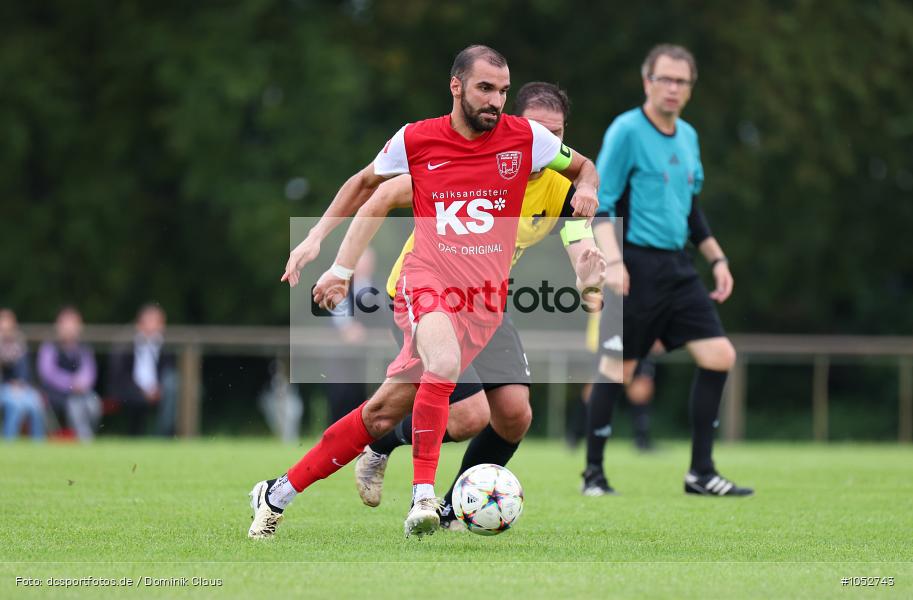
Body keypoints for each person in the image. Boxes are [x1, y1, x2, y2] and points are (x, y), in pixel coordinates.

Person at [248, 45, 600, 539]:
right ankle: (425, 498)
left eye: (502, 91)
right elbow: (369, 186)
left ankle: (275, 493)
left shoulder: (527, 141)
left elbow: (584, 169)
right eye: (485, 88)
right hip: (424, 282)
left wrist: (588, 196)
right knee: (445, 365)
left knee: (382, 413)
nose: (495, 101)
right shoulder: (417, 139)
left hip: (484, 304)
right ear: (456, 86)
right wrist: (324, 249)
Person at [348, 82, 607, 529]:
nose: (548, 143)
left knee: (514, 417)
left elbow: (578, 238)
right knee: (468, 416)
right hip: (422, 291)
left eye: (558, 134)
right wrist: (337, 263)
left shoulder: (556, 187)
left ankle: (449, 509)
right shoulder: (475, 160)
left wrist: (589, 271)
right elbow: (384, 191)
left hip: (484, 302)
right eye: (538, 130)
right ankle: (383, 443)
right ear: (514, 129)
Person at [585, 44, 753, 497]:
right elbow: (601, 205)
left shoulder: (689, 137)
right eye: (666, 79)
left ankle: (701, 473)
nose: (674, 88)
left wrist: (717, 258)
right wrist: (614, 262)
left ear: (690, 89)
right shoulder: (626, 131)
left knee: (720, 356)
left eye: (682, 81)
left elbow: (691, 210)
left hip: (678, 268)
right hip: (633, 264)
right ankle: (593, 476)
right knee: (617, 368)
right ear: (648, 82)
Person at [108, 304, 176, 436]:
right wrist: (142, 391)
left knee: (173, 387)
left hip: (158, 390)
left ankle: (164, 436)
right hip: (131, 389)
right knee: (136, 400)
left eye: (156, 322)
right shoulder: (125, 346)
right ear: (139, 324)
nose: (152, 327)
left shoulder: (167, 347)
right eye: (148, 322)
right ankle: (135, 435)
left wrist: (158, 388)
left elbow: (168, 373)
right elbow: (120, 376)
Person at [37, 306, 101, 441]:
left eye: (73, 324)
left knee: (94, 403)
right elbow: (48, 373)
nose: (70, 328)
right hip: (56, 393)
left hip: (82, 392)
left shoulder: (84, 348)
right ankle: (83, 440)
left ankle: (88, 436)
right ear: (58, 326)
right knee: (75, 405)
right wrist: (71, 383)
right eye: (66, 324)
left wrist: (82, 383)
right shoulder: (50, 347)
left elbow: (89, 371)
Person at [0, 308, 45, 440]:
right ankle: (9, 441)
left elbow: (25, 372)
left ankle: (38, 443)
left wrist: (19, 385)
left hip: (21, 388)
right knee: (15, 405)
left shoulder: (20, 346)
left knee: (36, 402)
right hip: (4, 388)